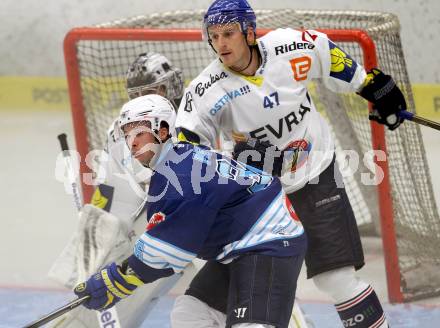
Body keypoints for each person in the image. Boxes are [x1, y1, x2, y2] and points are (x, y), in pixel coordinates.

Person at [174, 0, 408, 327]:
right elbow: (187, 144)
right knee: (233, 287)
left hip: (315, 177)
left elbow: (327, 53)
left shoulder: (289, 46)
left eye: (229, 33)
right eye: (214, 36)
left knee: (336, 279)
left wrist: (370, 86)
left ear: (250, 32)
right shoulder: (205, 90)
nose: (221, 43)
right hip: (258, 200)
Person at [74, 94, 307, 328]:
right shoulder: (177, 159)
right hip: (239, 247)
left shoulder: (180, 177)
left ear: (162, 131)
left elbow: (165, 255)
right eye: (127, 135)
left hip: (269, 243)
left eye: (138, 133)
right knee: (191, 315)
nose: (131, 142)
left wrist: (114, 279)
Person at [49, 52, 185, 328]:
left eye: (154, 91)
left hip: (198, 231)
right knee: (93, 314)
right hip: (150, 233)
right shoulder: (123, 129)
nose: (148, 99)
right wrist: (96, 226)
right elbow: (110, 191)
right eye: (140, 94)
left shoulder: (196, 114)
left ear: (171, 86)